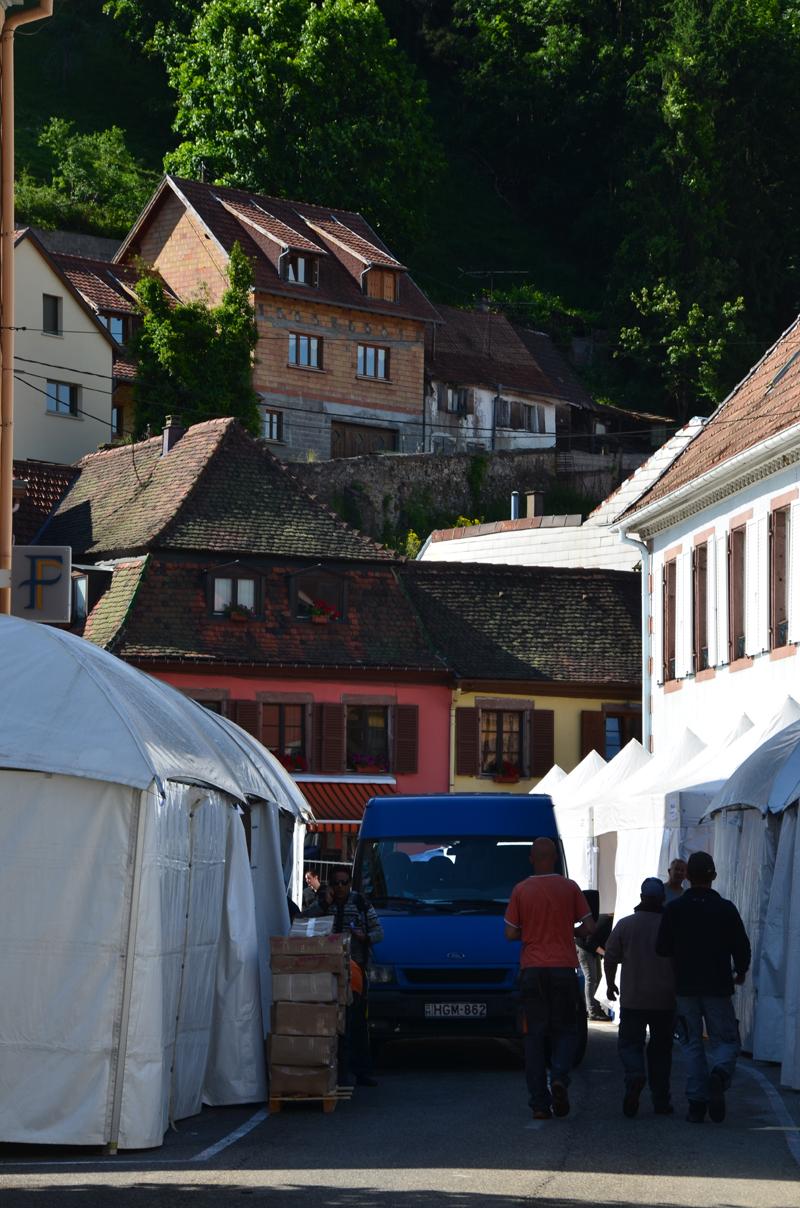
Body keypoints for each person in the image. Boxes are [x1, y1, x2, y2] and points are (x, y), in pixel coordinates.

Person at [656, 851, 751, 1124]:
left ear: (687, 877)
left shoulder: (674, 909)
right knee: (726, 1040)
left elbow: (662, 948)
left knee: (691, 1044)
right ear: (714, 876)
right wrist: (741, 970)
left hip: (685, 985)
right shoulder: (725, 908)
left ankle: (697, 1104)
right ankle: (719, 1075)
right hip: (717, 985)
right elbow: (741, 946)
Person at [505, 837, 596, 1120]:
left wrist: (531, 932)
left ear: (532, 859)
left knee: (533, 1037)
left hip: (532, 971)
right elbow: (589, 927)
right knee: (566, 1030)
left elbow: (510, 933)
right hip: (563, 970)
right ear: (555, 858)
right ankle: (558, 1077)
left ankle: (539, 1105)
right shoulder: (569, 888)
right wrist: (568, 931)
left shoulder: (521, 889)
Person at [604, 877, 676, 1118]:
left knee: (629, 1044)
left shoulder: (626, 925)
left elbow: (610, 955)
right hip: (665, 1000)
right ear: (662, 898)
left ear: (641, 897)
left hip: (633, 999)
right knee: (661, 1051)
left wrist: (611, 983)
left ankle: (635, 1075)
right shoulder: (670, 925)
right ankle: (661, 1101)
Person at [308, 864, 384, 1087]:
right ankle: (337, 1071)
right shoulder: (324, 904)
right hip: (328, 970)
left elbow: (379, 933)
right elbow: (304, 920)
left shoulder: (360, 902)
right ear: (330, 885)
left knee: (357, 1022)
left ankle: (362, 1071)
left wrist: (364, 937)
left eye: (344, 882)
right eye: (336, 883)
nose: (341, 887)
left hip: (355, 972)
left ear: (350, 884)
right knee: (332, 1023)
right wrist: (325, 903)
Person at [575, 890, 614, 1022]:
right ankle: (591, 1010)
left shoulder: (610, 922)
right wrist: (606, 954)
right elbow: (589, 941)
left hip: (591, 948)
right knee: (591, 978)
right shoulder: (605, 922)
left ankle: (596, 1007)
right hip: (584, 947)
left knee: (598, 977)